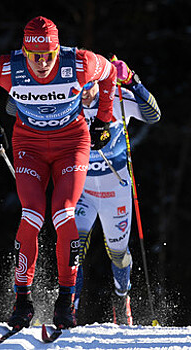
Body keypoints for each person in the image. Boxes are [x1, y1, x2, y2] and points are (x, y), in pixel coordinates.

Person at [0, 16, 116, 330]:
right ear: (24, 51)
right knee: (32, 214)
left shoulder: (78, 64)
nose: (41, 63)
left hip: (72, 143)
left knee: (63, 212)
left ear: (57, 50)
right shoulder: (9, 69)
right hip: (29, 145)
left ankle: (65, 302)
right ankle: (22, 301)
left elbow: (110, 73)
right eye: (34, 56)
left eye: (48, 55)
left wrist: (104, 119)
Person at [74, 57, 161, 325]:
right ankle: (68, 308)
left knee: (119, 255)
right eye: (79, 85)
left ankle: (122, 298)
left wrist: (133, 80)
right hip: (83, 189)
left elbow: (154, 115)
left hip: (116, 192)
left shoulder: (116, 97)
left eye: (90, 85)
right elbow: (15, 107)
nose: (84, 92)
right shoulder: (67, 102)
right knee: (71, 249)